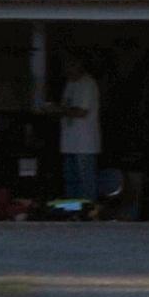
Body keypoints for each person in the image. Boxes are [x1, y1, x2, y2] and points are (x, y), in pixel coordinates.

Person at [58, 65, 104, 200]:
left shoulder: (88, 84)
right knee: (71, 182)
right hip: (69, 143)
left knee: (86, 183)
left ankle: (87, 215)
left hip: (84, 143)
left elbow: (81, 111)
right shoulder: (70, 84)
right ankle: (73, 213)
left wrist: (59, 110)